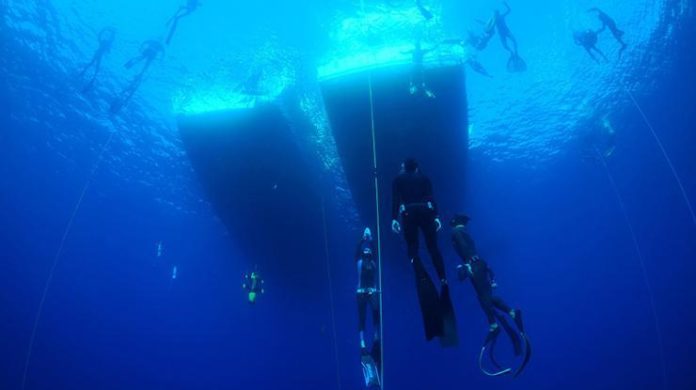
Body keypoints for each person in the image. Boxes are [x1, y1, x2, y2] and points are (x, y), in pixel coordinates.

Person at [450, 214, 531, 377]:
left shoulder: (456, 233)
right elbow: (471, 250)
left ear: (455, 223)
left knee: (483, 298)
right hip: (480, 265)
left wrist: (467, 265)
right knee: (486, 296)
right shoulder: (464, 233)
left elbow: (465, 250)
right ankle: (511, 312)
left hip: (475, 266)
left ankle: (494, 325)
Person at [392, 159, 457, 345]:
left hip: (408, 213)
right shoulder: (425, 178)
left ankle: (419, 270)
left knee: (413, 249)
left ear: (404, 167)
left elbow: (395, 199)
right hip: (426, 211)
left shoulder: (398, 179)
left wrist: (393, 218)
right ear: (418, 167)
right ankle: (443, 279)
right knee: (433, 248)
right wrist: (436, 216)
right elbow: (431, 197)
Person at [355, 228, 382, 388]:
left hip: (371, 291)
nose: (366, 256)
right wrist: (362, 239)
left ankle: (377, 336)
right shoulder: (359, 262)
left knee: (376, 313)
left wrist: (371, 240)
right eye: (364, 254)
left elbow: (376, 252)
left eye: (368, 254)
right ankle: (363, 342)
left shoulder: (373, 262)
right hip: (360, 293)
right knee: (362, 317)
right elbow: (356, 253)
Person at [111, 40, 164, 113]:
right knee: (143, 63)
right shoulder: (158, 45)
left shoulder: (154, 42)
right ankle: (135, 70)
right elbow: (162, 52)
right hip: (150, 55)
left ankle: (130, 66)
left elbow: (145, 43)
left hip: (147, 53)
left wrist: (141, 48)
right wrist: (161, 59)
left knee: (140, 60)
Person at [486, 1, 526, 72]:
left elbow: (509, 10)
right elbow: (490, 27)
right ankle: (512, 52)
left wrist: (506, 4)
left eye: (496, 13)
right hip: (502, 34)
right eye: (496, 14)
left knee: (513, 41)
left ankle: (515, 52)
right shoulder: (495, 20)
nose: (497, 15)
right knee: (506, 45)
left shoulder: (500, 17)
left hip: (506, 32)